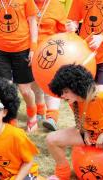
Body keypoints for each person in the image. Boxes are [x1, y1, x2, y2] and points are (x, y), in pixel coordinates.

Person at [46, 64, 103, 180]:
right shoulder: (73, 101)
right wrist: (83, 131)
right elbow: (79, 120)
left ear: (76, 87)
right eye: (61, 92)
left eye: (66, 91)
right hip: (90, 132)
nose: (62, 96)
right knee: (51, 139)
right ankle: (62, 174)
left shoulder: (100, 97)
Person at [0, 0, 38, 133]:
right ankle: (11, 119)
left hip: (22, 48)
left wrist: (33, 48)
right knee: (4, 89)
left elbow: (32, 22)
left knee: (25, 90)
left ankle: (32, 115)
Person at [66, 0, 103, 92]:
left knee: (101, 96)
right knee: (83, 96)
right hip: (85, 53)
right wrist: (72, 26)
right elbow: (74, 20)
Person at [32, 0, 67, 131]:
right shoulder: (25, 3)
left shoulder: (56, 5)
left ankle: (52, 117)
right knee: (34, 84)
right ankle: (40, 109)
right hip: (29, 51)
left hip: (51, 54)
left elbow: (63, 32)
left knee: (50, 83)